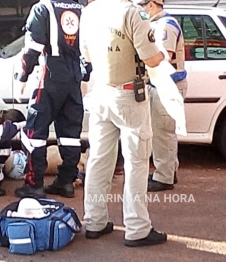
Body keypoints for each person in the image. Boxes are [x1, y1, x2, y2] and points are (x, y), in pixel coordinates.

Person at [80, 0, 167, 247]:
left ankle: (94, 221)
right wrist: (163, 53)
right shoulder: (133, 13)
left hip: (100, 92)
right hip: (129, 94)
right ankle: (137, 228)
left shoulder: (90, 11)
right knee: (137, 162)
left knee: (98, 158)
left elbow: (86, 54)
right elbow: (150, 59)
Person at [13, 0, 90, 199]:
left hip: (49, 78)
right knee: (70, 135)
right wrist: (85, 75)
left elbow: (32, 49)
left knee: (34, 134)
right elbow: (89, 49)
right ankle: (66, 182)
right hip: (74, 79)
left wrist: (22, 78)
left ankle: (34, 184)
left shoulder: (42, 8)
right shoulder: (83, 10)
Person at [136, 0, 188, 192]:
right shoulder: (157, 24)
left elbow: (164, 55)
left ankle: (164, 178)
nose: (139, 10)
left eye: (141, 5)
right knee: (165, 132)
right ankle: (168, 171)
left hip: (166, 86)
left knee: (163, 133)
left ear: (151, 5)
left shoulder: (165, 26)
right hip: (163, 85)